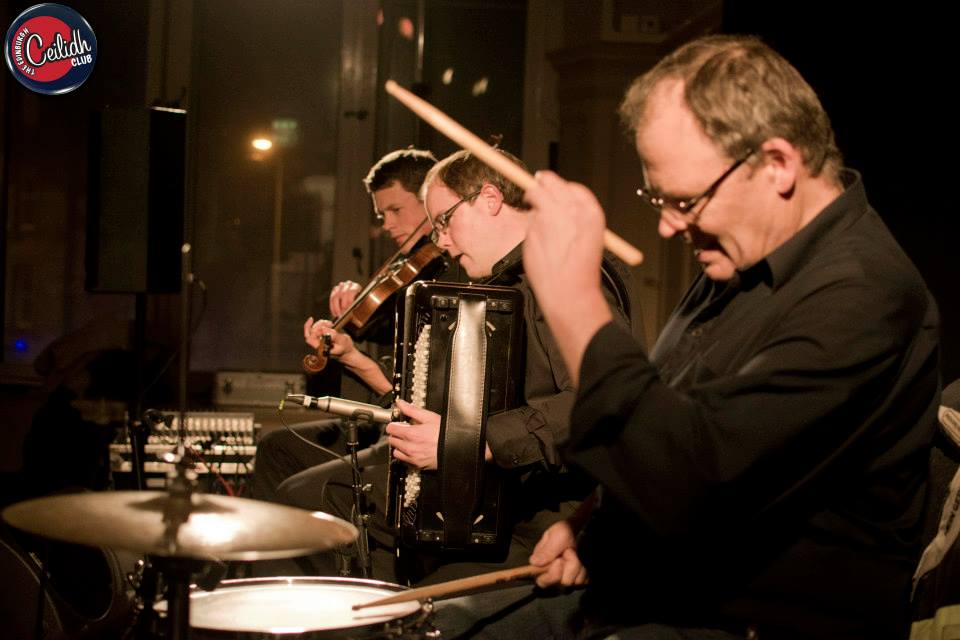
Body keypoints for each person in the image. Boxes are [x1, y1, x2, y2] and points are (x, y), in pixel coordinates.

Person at [435, 34, 940, 639]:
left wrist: (571, 295)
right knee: (421, 624)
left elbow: (683, 477)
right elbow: (672, 410)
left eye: (685, 200)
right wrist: (595, 520)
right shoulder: (742, 255)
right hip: (653, 585)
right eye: (659, 198)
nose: (669, 225)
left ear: (777, 165)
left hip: (753, 620)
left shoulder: (864, 295)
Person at [277, 147, 644, 584]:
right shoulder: (507, 285)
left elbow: (604, 401)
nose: (442, 242)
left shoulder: (558, 276)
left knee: (328, 509)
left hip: (548, 519)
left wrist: (467, 443)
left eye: (445, 222)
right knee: (331, 500)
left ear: (489, 198)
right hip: (505, 495)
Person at [251, 148, 446, 508]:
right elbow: (384, 321)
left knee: (295, 480)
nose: (386, 224)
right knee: (274, 446)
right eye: (381, 214)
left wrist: (357, 339)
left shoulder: (447, 272)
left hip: (414, 428)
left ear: (432, 200)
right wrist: (355, 310)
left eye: (396, 210)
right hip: (386, 412)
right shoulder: (410, 265)